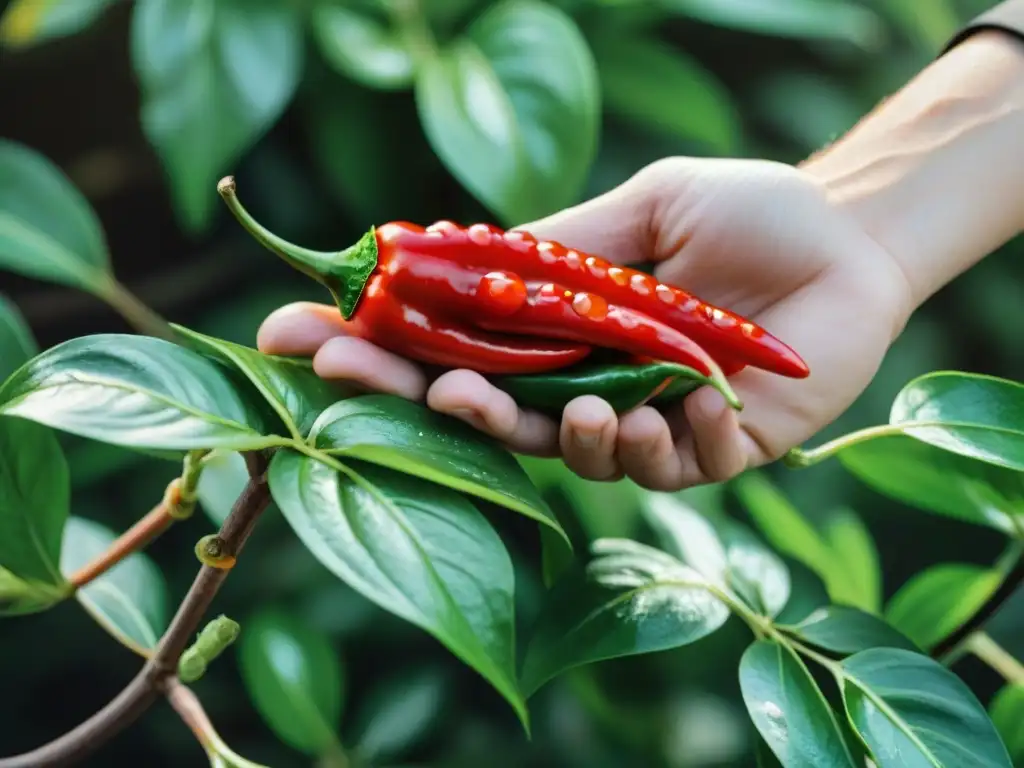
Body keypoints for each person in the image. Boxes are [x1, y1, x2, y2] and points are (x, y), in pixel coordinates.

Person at [255, 0, 1024, 492]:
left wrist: (860, 235)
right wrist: (859, 231)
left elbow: (551, 304)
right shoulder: (397, 279)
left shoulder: (400, 268)